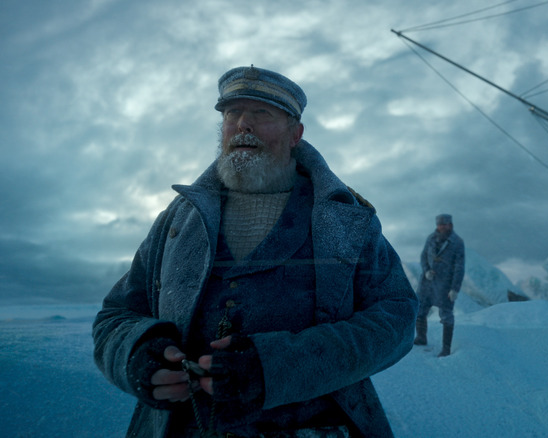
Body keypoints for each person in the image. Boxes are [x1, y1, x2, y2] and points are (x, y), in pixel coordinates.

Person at [92, 66, 418, 438]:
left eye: (262, 113)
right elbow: (116, 314)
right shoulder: (176, 221)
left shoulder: (345, 220)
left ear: (296, 133)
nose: (243, 123)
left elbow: (397, 317)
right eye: (232, 113)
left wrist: (277, 366)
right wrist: (135, 353)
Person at [414, 214, 465, 357]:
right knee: (420, 309)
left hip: (445, 285)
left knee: (446, 315)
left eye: (444, 224)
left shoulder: (457, 242)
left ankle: (446, 348)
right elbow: (424, 256)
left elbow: (459, 267)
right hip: (427, 283)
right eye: (439, 224)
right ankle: (421, 338)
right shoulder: (431, 238)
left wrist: (455, 288)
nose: (441, 227)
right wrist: (426, 271)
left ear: (450, 225)